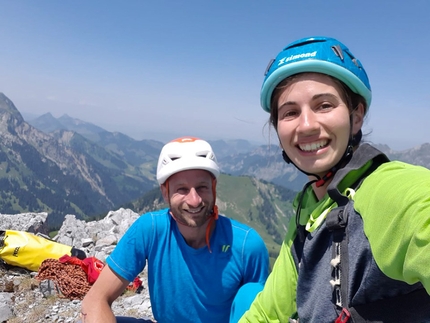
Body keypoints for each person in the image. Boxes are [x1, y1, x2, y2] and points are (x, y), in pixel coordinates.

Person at [235, 36, 430, 322]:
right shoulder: (309, 208)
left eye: (324, 105)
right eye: (290, 112)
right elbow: (267, 312)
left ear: (357, 116)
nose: (306, 125)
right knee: (248, 297)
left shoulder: (388, 192)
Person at [80, 136, 269, 323]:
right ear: (165, 192)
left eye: (202, 187)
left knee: (251, 293)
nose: (194, 200)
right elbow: (95, 299)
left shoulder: (247, 246)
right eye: (182, 189)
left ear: (214, 187)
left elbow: (263, 314)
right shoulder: (150, 230)